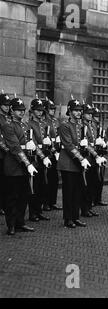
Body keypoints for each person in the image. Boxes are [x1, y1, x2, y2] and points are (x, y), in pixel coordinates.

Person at [1, 97, 37, 235]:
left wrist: (34, 153)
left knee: (23, 196)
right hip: (13, 165)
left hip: (25, 165)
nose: (21, 113)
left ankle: (20, 222)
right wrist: (27, 163)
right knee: (12, 197)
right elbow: (15, 147)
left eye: (23, 110)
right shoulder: (8, 126)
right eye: (18, 110)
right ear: (12, 110)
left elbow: (30, 143)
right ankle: (11, 225)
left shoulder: (25, 125)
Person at [58, 99, 92, 228]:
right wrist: (81, 158)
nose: (78, 113)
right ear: (70, 111)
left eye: (79, 111)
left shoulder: (81, 126)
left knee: (78, 191)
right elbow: (68, 145)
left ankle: (75, 217)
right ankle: (68, 218)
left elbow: (84, 142)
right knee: (69, 192)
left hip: (78, 163)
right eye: (76, 110)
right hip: (68, 163)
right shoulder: (65, 125)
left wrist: (86, 148)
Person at [27, 97, 53, 222]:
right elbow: (33, 143)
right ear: (32, 111)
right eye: (37, 110)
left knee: (43, 185)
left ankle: (39, 210)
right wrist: (42, 156)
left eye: (41, 110)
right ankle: (33, 212)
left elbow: (47, 140)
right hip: (35, 159)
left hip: (45, 157)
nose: (40, 112)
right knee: (34, 187)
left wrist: (51, 146)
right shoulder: (29, 124)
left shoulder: (44, 124)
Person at [80, 102, 106, 217]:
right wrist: (96, 155)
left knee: (92, 184)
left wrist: (100, 144)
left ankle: (89, 206)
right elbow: (85, 144)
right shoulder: (82, 125)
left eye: (91, 114)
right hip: (86, 157)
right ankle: (84, 208)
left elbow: (94, 141)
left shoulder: (92, 126)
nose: (90, 116)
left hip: (94, 157)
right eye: (88, 113)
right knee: (85, 185)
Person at [42, 98, 62, 211]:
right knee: (46, 179)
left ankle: (52, 201)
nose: (53, 111)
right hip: (48, 152)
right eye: (51, 109)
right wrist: (53, 150)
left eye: (54, 109)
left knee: (54, 178)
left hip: (56, 151)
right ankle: (45, 202)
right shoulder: (44, 122)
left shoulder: (55, 121)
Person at [91, 107, 108, 207]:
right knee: (94, 179)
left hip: (100, 154)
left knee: (100, 178)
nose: (97, 118)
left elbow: (105, 139)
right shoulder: (91, 127)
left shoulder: (99, 127)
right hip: (94, 155)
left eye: (98, 116)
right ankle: (93, 198)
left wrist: (104, 142)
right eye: (96, 116)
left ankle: (98, 198)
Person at [0, 91, 12, 216]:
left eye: (8, 105)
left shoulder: (9, 118)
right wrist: (7, 149)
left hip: (9, 154)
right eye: (4, 104)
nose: (7, 107)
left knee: (6, 182)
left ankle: (4, 205)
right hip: (2, 153)